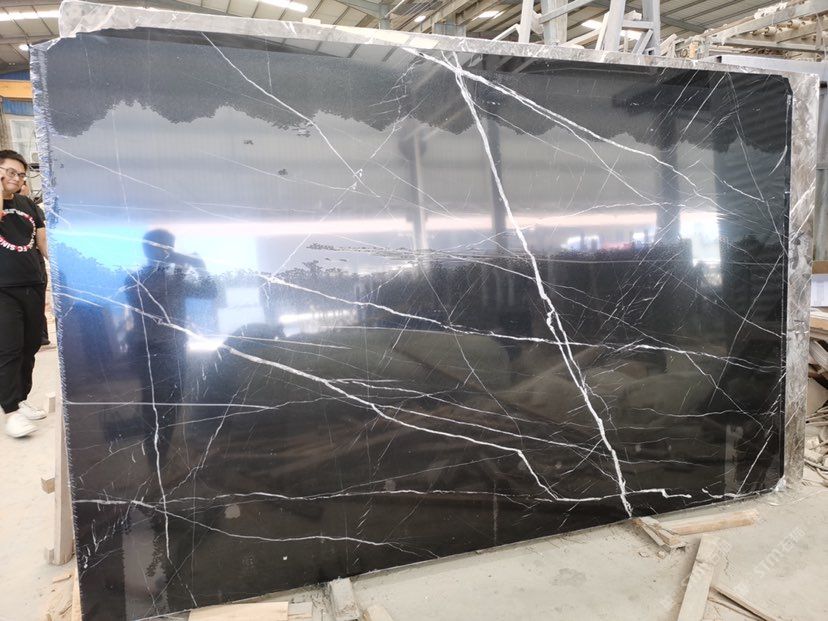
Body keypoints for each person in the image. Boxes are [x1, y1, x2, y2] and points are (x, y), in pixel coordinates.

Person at [0, 149, 47, 438]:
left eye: (21, 174)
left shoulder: (27, 203)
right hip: (3, 289)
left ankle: (21, 398)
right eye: (10, 172)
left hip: (33, 283)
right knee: (9, 348)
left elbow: (42, 242)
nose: (17, 178)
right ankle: (10, 411)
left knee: (30, 346)